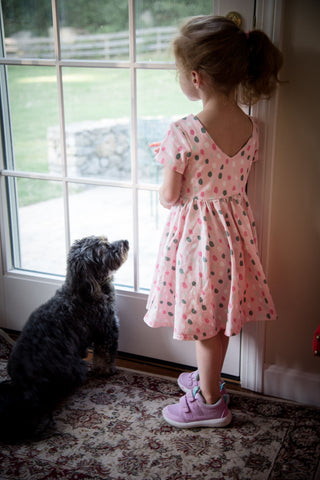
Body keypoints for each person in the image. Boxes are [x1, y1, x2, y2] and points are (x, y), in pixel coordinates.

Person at [144, 15, 283, 428]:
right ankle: (209, 381)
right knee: (216, 317)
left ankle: (208, 402)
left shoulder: (184, 130)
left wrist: (165, 171)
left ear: (196, 77)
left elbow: (170, 196)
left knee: (206, 323)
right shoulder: (251, 127)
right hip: (234, 237)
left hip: (196, 239)